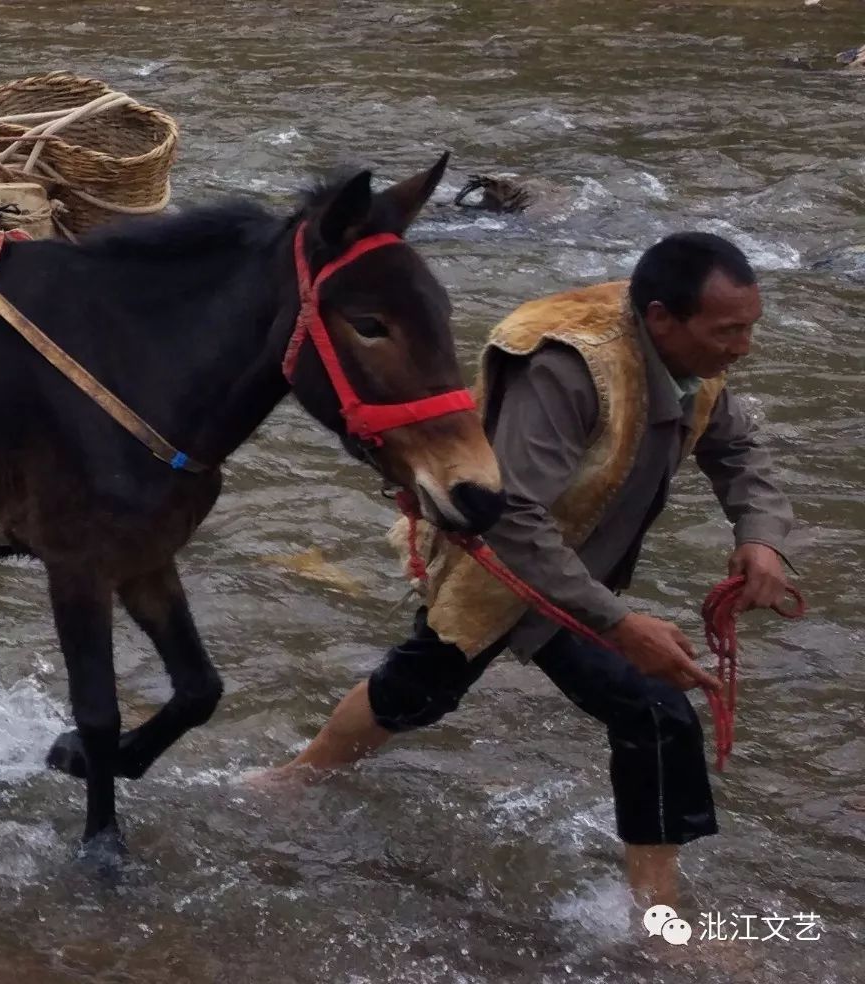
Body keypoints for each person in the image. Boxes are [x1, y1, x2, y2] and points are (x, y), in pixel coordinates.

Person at [266, 232, 794, 909]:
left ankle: (299, 777)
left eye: (749, 329)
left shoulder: (693, 355)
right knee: (653, 710)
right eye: (728, 331)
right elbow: (512, 518)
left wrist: (762, 538)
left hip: (574, 562)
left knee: (425, 680)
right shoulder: (570, 369)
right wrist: (620, 622)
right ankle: (659, 924)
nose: (741, 348)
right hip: (510, 560)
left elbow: (738, 446)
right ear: (663, 317)